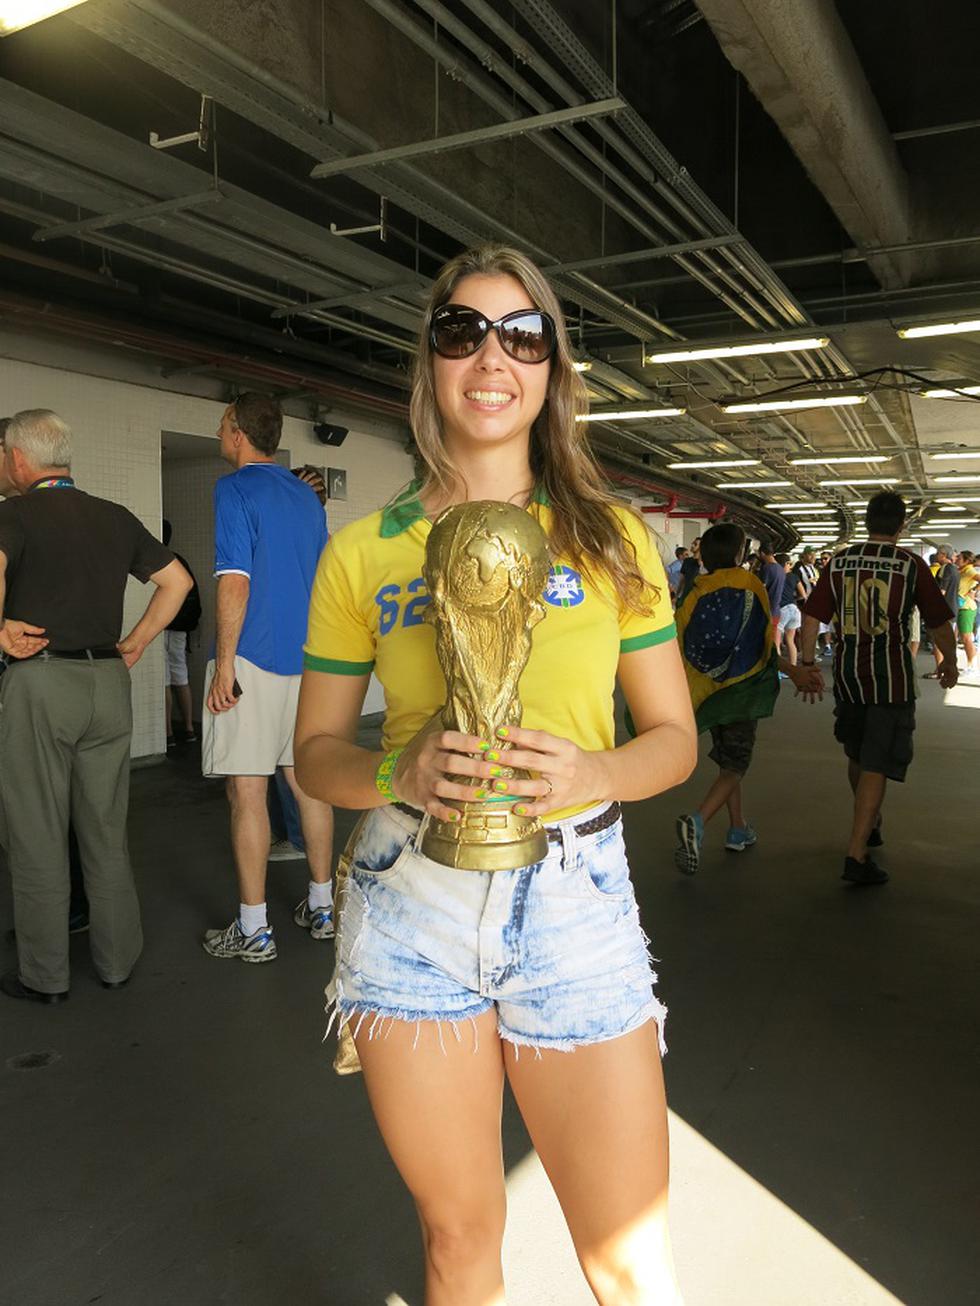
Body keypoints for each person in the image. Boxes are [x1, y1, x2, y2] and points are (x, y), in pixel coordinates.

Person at [294, 245, 696, 1305]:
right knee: (457, 1239)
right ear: (429, 361)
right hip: (410, 902)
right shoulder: (364, 551)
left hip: (573, 900)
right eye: (461, 331)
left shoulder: (612, 539)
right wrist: (400, 767)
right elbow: (316, 757)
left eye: (523, 336)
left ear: (552, 368)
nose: (491, 358)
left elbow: (673, 739)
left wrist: (593, 768)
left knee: (630, 1263)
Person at [0, 409, 191, 1002]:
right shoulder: (114, 516)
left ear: (17, 458)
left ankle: (45, 977)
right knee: (105, 831)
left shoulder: (13, 514)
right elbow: (178, 582)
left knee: (36, 833)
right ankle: (115, 963)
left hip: (41, 682)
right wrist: (137, 641)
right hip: (108, 683)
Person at [201, 393, 334, 961]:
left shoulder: (233, 489)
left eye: (222, 424)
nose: (219, 433)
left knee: (247, 790)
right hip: (306, 661)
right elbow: (325, 579)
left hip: (252, 660)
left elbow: (235, 580)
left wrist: (225, 664)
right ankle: (323, 907)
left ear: (237, 432)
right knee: (307, 784)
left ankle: (254, 929)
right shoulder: (307, 497)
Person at [800, 492, 957, 886]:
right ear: (901, 526)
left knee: (857, 753)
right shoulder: (910, 564)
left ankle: (869, 822)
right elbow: (938, 622)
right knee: (877, 760)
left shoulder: (840, 561)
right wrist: (950, 661)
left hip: (848, 677)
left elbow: (812, 616)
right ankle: (857, 853)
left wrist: (807, 663)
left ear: (866, 521)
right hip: (892, 680)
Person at [673, 523, 824, 874]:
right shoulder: (750, 585)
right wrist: (794, 670)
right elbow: (761, 645)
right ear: (740, 553)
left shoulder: (696, 589)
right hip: (743, 692)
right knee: (736, 766)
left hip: (711, 692)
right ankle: (697, 821)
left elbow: (678, 641)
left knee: (729, 762)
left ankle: (738, 828)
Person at [161, 519, 200, 746]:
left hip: (163, 628)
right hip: (181, 629)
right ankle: (188, 728)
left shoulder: (156, 561)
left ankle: (167, 733)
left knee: (164, 679)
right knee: (181, 676)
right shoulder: (179, 560)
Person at [923, 545, 959, 679]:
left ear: (943, 555)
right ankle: (945, 669)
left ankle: (939, 671)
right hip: (952, 607)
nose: (936, 556)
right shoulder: (955, 569)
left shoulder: (946, 569)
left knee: (938, 642)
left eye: (938, 553)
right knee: (948, 642)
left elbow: (941, 591)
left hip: (944, 609)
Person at [955, 550, 979, 677]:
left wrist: (973, 590)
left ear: (966, 560)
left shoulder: (969, 570)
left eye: (959, 558)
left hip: (967, 607)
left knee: (966, 638)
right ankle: (971, 665)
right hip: (960, 607)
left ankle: (973, 667)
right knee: (964, 638)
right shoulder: (962, 570)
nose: (957, 559)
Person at [757, 539, 785, 632]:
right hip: (776, 611)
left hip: (766, 612)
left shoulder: (767, 568)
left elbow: (761, 588)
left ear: (762, 553)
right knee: (772, 638)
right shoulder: (781, 569)